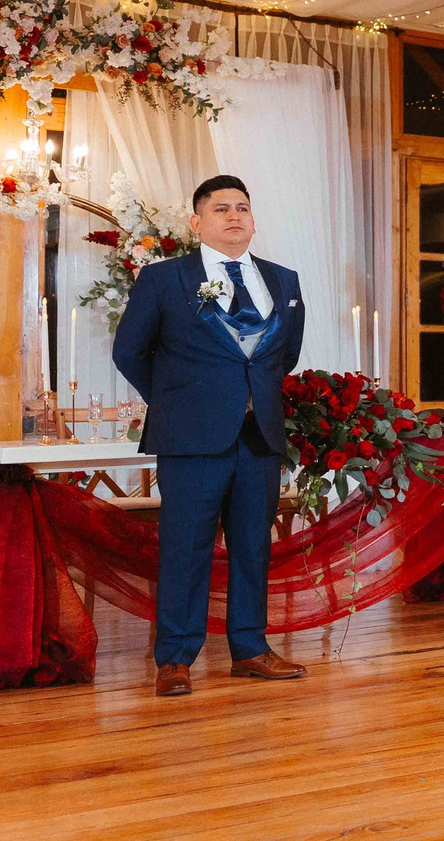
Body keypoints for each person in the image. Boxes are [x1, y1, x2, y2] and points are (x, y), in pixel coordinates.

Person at [111, 176, 308, 697]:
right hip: (190, 437)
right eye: (221, 209)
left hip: (258, 436)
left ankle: (250, 648)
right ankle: (175, 658)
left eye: (243, 207)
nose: (234, 217)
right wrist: (181, 399)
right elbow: (129, 351)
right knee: (185, 547)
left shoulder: (283, 281)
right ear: (197, 223)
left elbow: (283, 356)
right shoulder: (164, 279)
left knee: (252, 547)